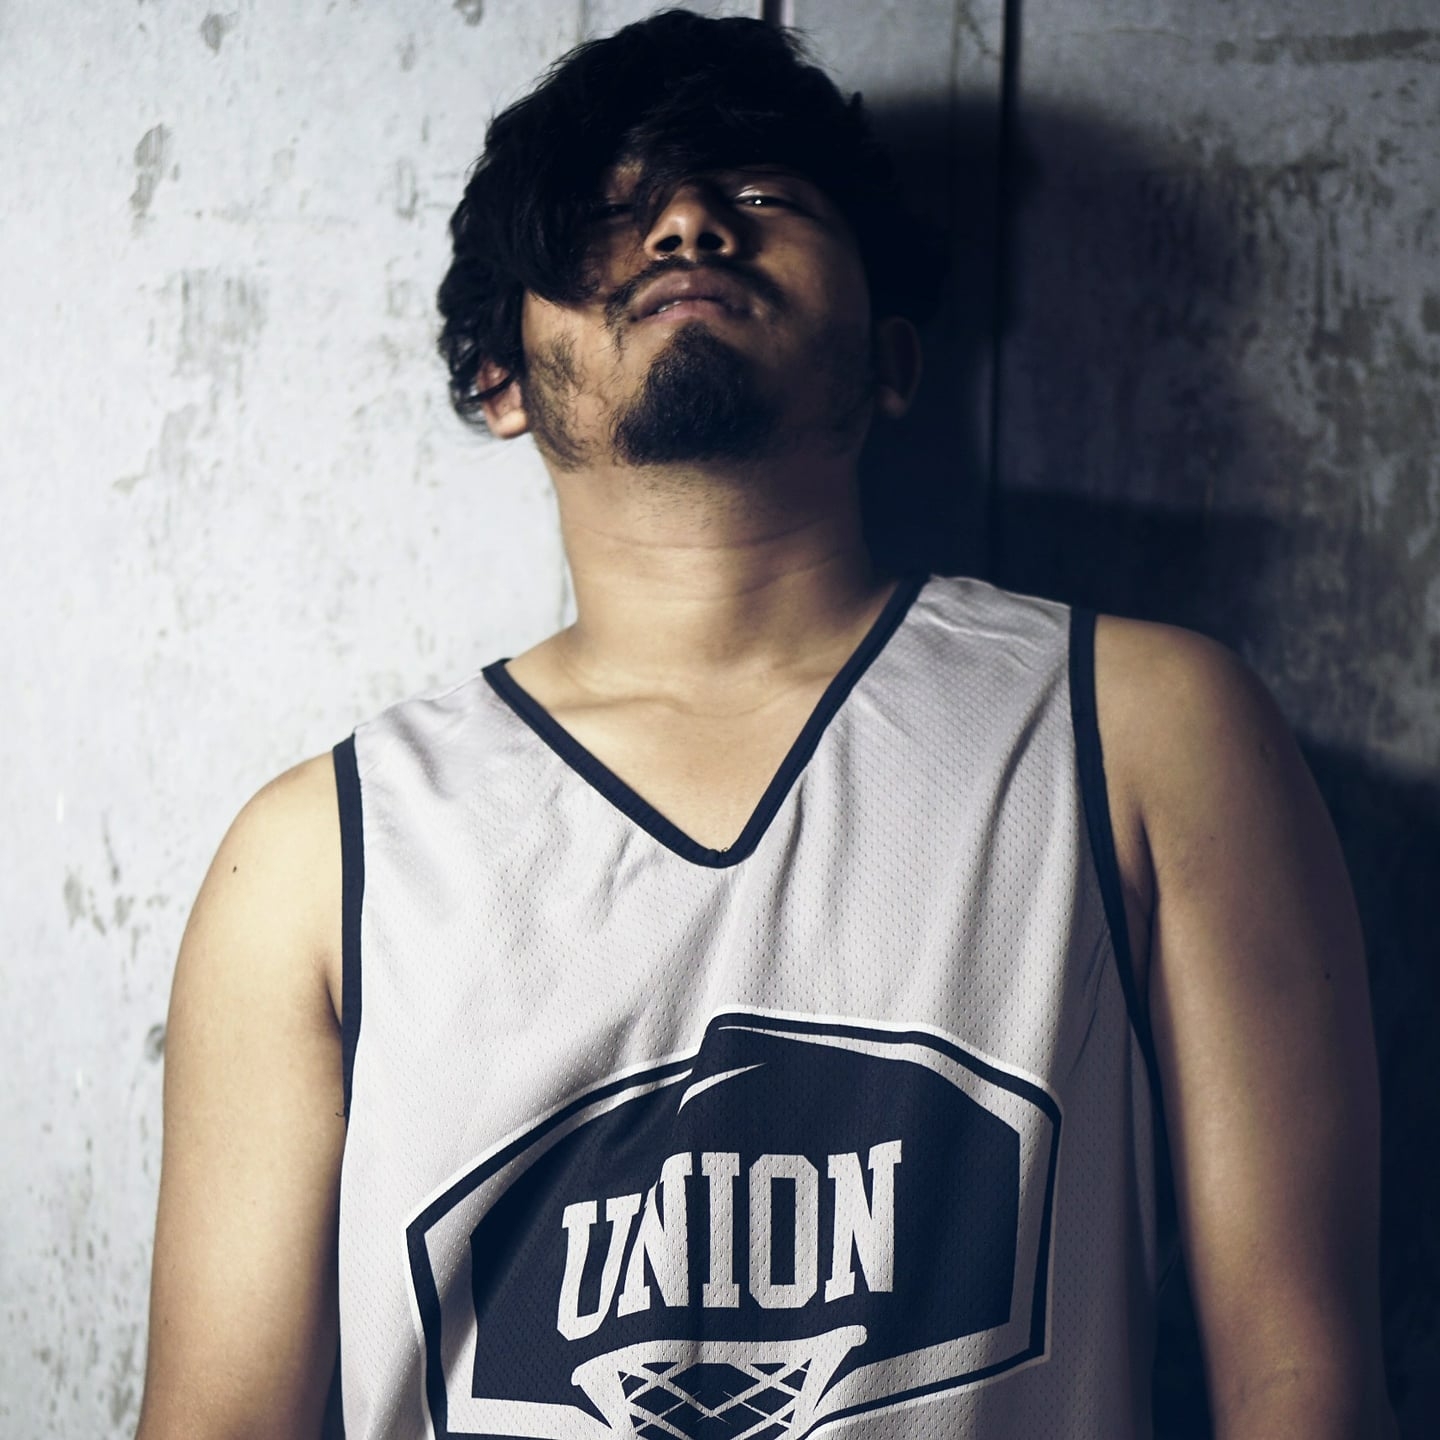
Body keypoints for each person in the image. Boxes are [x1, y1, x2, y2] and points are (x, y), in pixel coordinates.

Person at [135, 10, 1394, 1439]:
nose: (687, 226)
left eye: (759, 198)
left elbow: (1302, 1378)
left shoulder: (1146, 731)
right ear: (497, 377)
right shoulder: (318, 856)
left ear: (894, 360)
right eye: (610, 213)